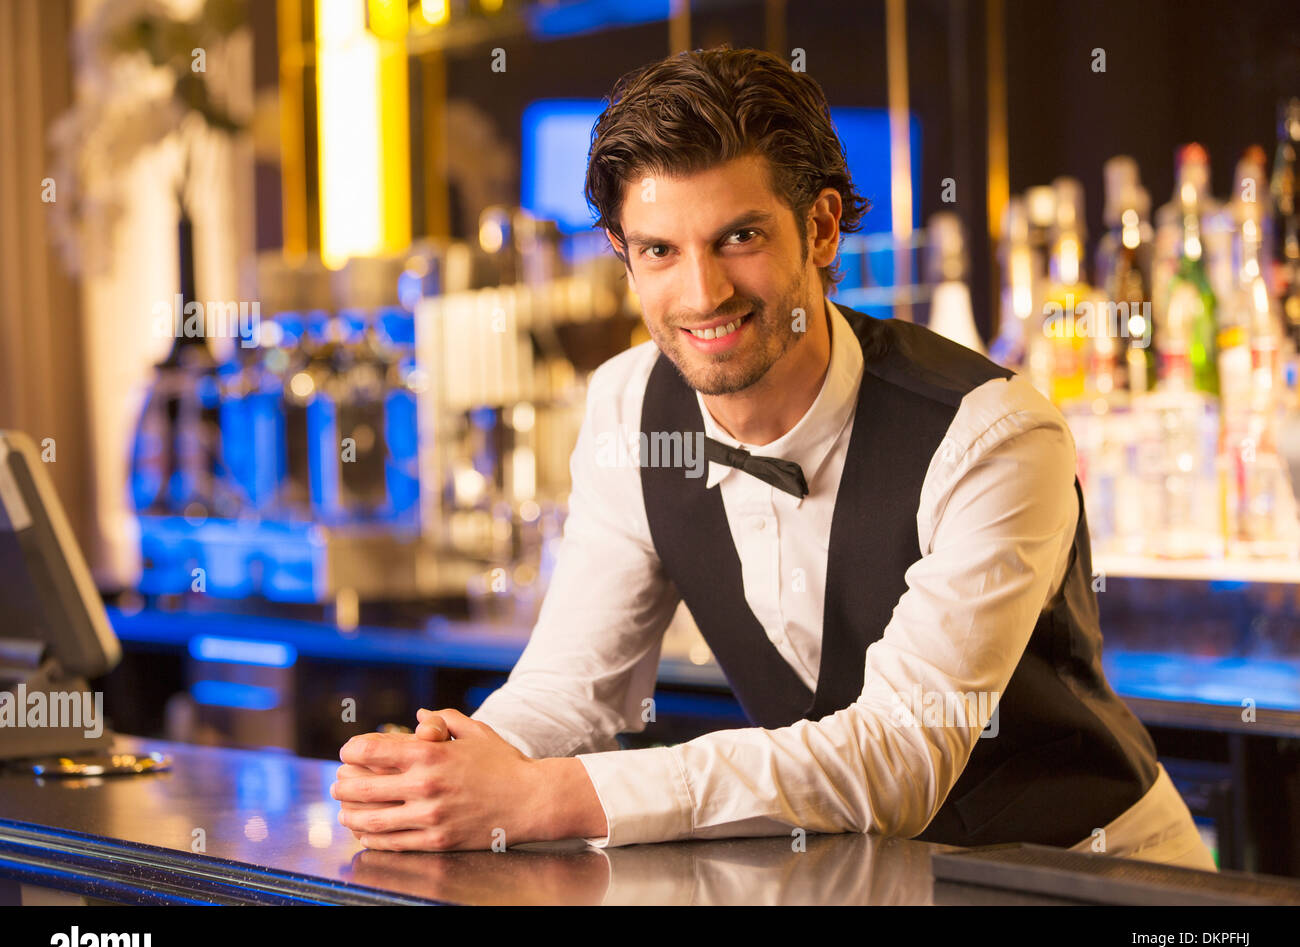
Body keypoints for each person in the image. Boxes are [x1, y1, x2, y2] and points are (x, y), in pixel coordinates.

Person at [332, 45, 1216, 872]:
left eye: (739, 239)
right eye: (659, 252)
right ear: (623, 258)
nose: (701, 293)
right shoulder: (628, 406)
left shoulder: (991, 435)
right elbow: (573, 690)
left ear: (822, 227)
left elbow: (895, 762)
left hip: (1093, 876)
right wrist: (446, 766)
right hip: (866, 875)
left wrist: (554, 797)